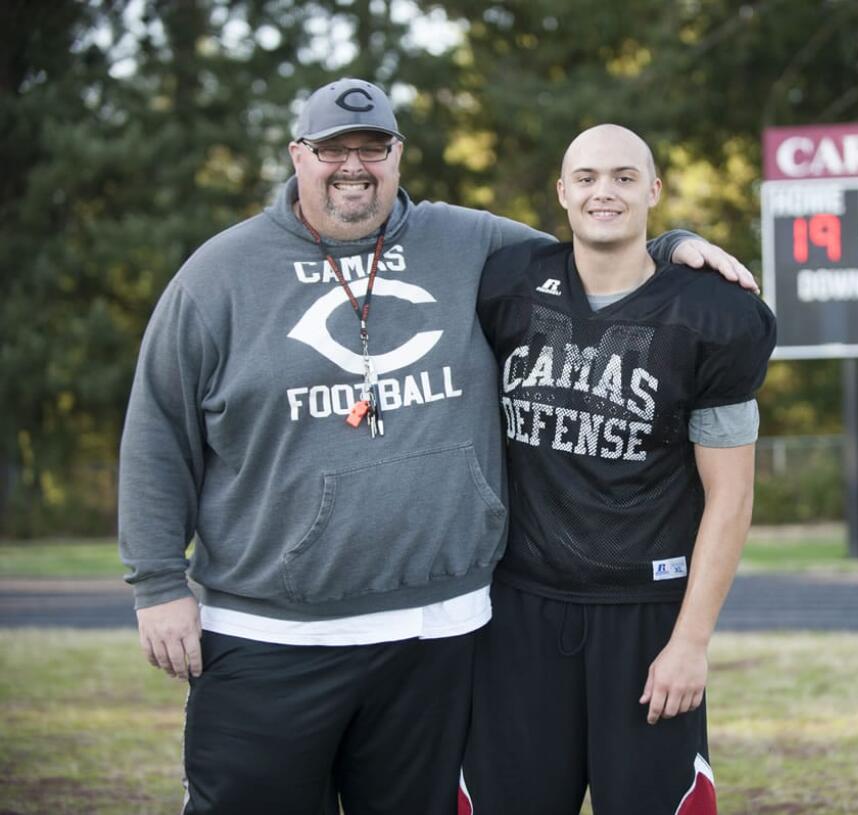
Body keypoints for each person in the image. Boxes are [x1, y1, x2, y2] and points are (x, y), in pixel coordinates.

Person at [118, 78, 753, 815]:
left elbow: (596, 247)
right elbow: (158, 430)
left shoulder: (468, 241)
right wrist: (158, 582)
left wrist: (674, 244)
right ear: (298, 156)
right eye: (332, 150)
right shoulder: (218, 275)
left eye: (372, 148)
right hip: (270, 632)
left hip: (436, 636)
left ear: (398, 155)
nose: (353, 165)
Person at [460, 124, 776, 814]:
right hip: (520, 607)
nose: (605, 191)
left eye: (625, 178)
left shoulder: (712, 314)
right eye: (589, 177)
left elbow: (732, 493)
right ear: (563, 192)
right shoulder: (510, 283)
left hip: (646, 611)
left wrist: (690, 642)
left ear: (654, 191)